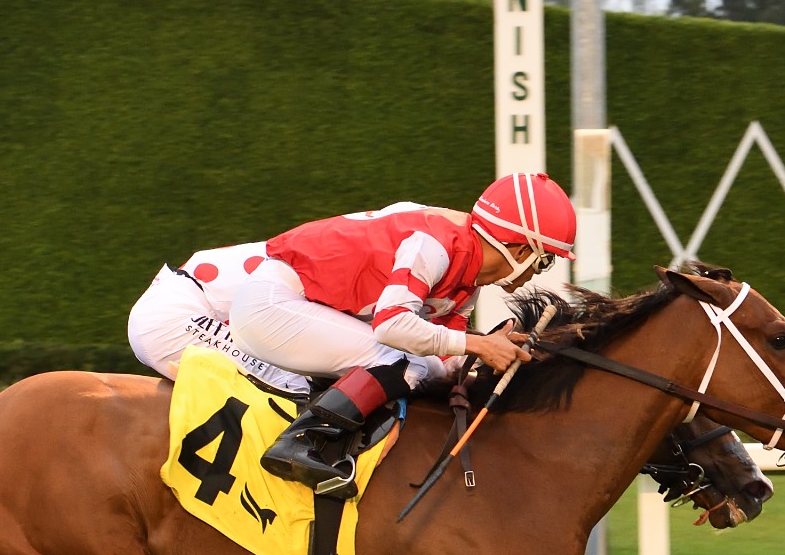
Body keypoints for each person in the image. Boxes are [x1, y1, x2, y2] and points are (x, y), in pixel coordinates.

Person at [229, 173, 578, 487]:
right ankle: (302, 440)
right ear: (520, 249)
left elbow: (444, 353)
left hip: (298, 306)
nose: (540, 272)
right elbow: (392, 326)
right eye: (545, 260)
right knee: (404, 361)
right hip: (272, 303)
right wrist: (477, 344)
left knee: (424, 366)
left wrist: (490, 361)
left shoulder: (468, 276)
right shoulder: (436, 245)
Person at [127, 241, 309, 396]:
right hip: (170, 318)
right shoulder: (304, 261)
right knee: (290, 382)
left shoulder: (298, 248)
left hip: (164, 312)